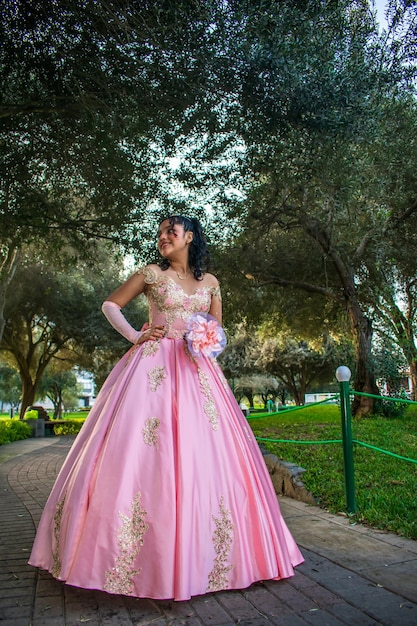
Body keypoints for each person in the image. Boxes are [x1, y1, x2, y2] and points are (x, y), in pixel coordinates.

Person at [29, 215, 303, 601]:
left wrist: (205, 340)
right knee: (142, 452)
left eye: (170, 232)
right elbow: (111, 304)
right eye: (159, 233)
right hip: (152, 367)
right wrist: (136, 335)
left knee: (206, 455)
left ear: (188, 237)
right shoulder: (151, 274)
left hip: (197, 371)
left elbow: (217, 332)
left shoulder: (211, 283)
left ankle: (210, 560)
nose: (162, 238)